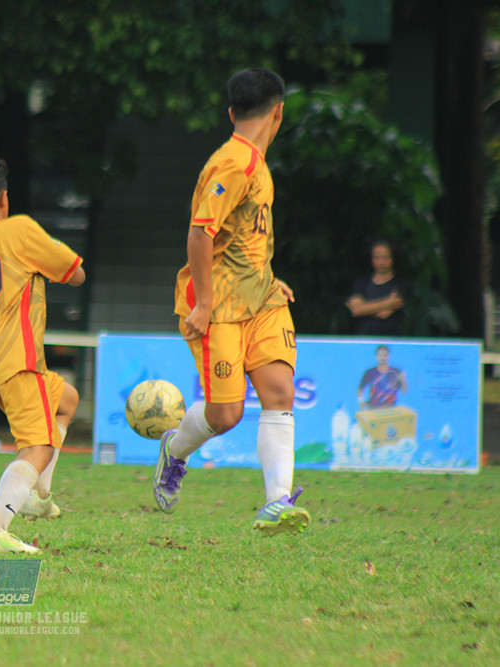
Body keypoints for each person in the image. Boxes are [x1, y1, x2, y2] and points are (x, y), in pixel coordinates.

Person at [153, 68, 310, 536]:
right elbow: (200, 234)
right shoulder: (234, 164)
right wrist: (203, 304)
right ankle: (174, 451)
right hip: (217, 309)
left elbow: (243, 239)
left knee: (279, 393)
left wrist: (267, 279)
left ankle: (277, 503)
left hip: (261, 300)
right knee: (225, 415)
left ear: (231, 113)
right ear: (278, 112)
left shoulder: (256, 163)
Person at [0, 153, 85, 554]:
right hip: (17, 360)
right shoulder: (19, 230)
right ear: (3, 200)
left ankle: (37, 496)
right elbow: (76, 273)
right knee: (37, 446)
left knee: (66, 400)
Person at [346, 240, 406, 336]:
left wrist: (364, 308)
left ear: (393, 258)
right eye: (377, 257)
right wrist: (388, 303)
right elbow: (356, 311)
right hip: (363, 339)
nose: (381, 262)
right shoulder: (361, 284)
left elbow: (384, 314)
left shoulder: (399, 284)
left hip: (390, 341)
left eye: (385, 258)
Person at [358, 344, 407, 409]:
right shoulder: (369, 372)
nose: (382, 358)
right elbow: (360, 389)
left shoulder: (396, 372)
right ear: (376, 356)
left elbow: (404, 391)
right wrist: (361, 401)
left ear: (388, 356)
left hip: (391, 409)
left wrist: (403, 380)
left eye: (384, 355)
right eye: (380, 355)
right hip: (373, 409)